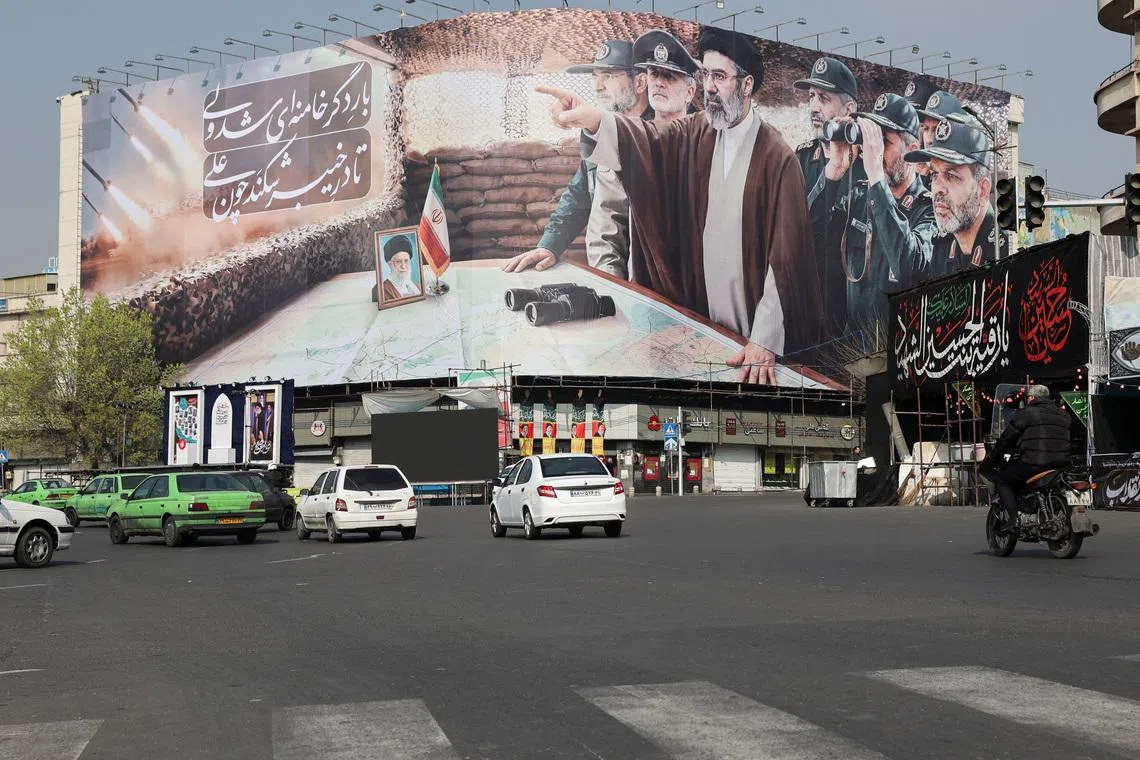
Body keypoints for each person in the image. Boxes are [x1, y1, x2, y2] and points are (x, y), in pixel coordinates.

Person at [536, 26, 823, 385]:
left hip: (750, 338)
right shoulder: (694, 132)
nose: (710, 88)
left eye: (720, 77)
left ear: (747, 85)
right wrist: (594, 120)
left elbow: (787, 256)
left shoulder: (776, 157)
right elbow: (648, 142)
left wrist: (764, 338)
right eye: (705, 76)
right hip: (700, 325)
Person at [502, 40, 652, 274]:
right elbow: (579, 194)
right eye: (595, 76)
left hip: (652, 280)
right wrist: (550, 246)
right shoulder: (600, 132)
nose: (598, 86)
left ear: (640, 82)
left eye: (608, 75)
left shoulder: (665, 135)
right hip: (610, 272)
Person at [810, 93, 936, 333]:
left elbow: (910, 270)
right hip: (851, 350)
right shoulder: (859, 199)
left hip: (897, 352)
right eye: (871, 142)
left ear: (912, 150)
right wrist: (834, 170)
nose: (874, 151)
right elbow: (808, 240)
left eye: (884, 143)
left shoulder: (928, 210)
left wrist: (876, 176)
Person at [586, 30, 700, 281]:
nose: (659, 82)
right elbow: (606, 234)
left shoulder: (707, 145)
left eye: (670, 76)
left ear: (690, 93)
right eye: (654, 74)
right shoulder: (627, 145)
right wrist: (615, 291)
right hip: (646, 288)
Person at [902, 118, 1008, 280]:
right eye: (934, 174)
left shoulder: (1004, 251)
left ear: (983, 190)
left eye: (951, 175)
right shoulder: (942, 247)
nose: (938, 188)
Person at [988, 385, 1073, 527]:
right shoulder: (1064, 415)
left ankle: (1014, 518)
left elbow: (1007, 438)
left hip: (1034, 464)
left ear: (1032, 398)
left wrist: (994, 455)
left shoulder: (1027, 413)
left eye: (1028, 398)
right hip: (1061, 465)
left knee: (1003, 479)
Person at [792, 56, 863, 208]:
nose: (813, 108)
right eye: (812, 96)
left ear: (848, 110)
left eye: (823, 98)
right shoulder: (801, 158)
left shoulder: (866, 165)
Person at [381, 235, 422, 300]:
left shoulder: (418, 287)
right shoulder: (384, 291)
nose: (403, 266)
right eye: (398, 261)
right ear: (389, 264)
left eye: (406, 261)